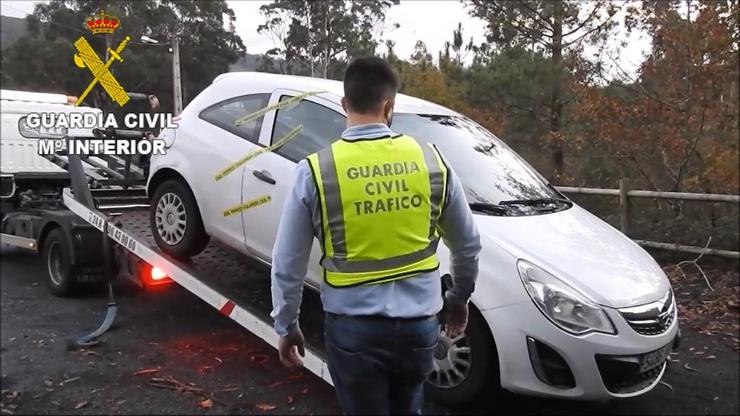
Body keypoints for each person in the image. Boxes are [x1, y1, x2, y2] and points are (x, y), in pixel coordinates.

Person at [270, 57, 481, 415]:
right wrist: (458, 297)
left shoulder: (317, 171)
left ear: (344, 105)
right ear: (390, 106)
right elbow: (467, 244)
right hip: (419, 331)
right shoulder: (431, 161)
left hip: (355, 334)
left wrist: (287, 325)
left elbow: (287, 262)